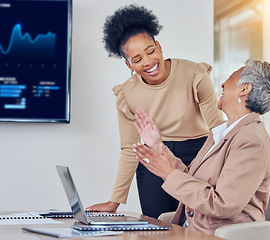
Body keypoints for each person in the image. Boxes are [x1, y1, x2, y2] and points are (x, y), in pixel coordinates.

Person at [86, 4, 225, 218]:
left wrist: (244, 158)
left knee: (199, 223)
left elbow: (217, 127)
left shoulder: (194, 74)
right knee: (157, 226)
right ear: (129, 65)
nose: (148, 62)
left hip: (199, 153)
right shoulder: (127, 94)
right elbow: (128, 148)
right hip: (155, 156)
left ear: (158, 46)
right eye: (137, 59)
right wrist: (114, 202)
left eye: (150, 51)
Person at [133, 58, 270, 235]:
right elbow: (193, 179)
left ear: (244, 89)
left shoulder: (251, 140)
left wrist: (168, 174)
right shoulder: (223, 134)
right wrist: (157, 145)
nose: (222, 84)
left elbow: (223, 205)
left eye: (230, 77)